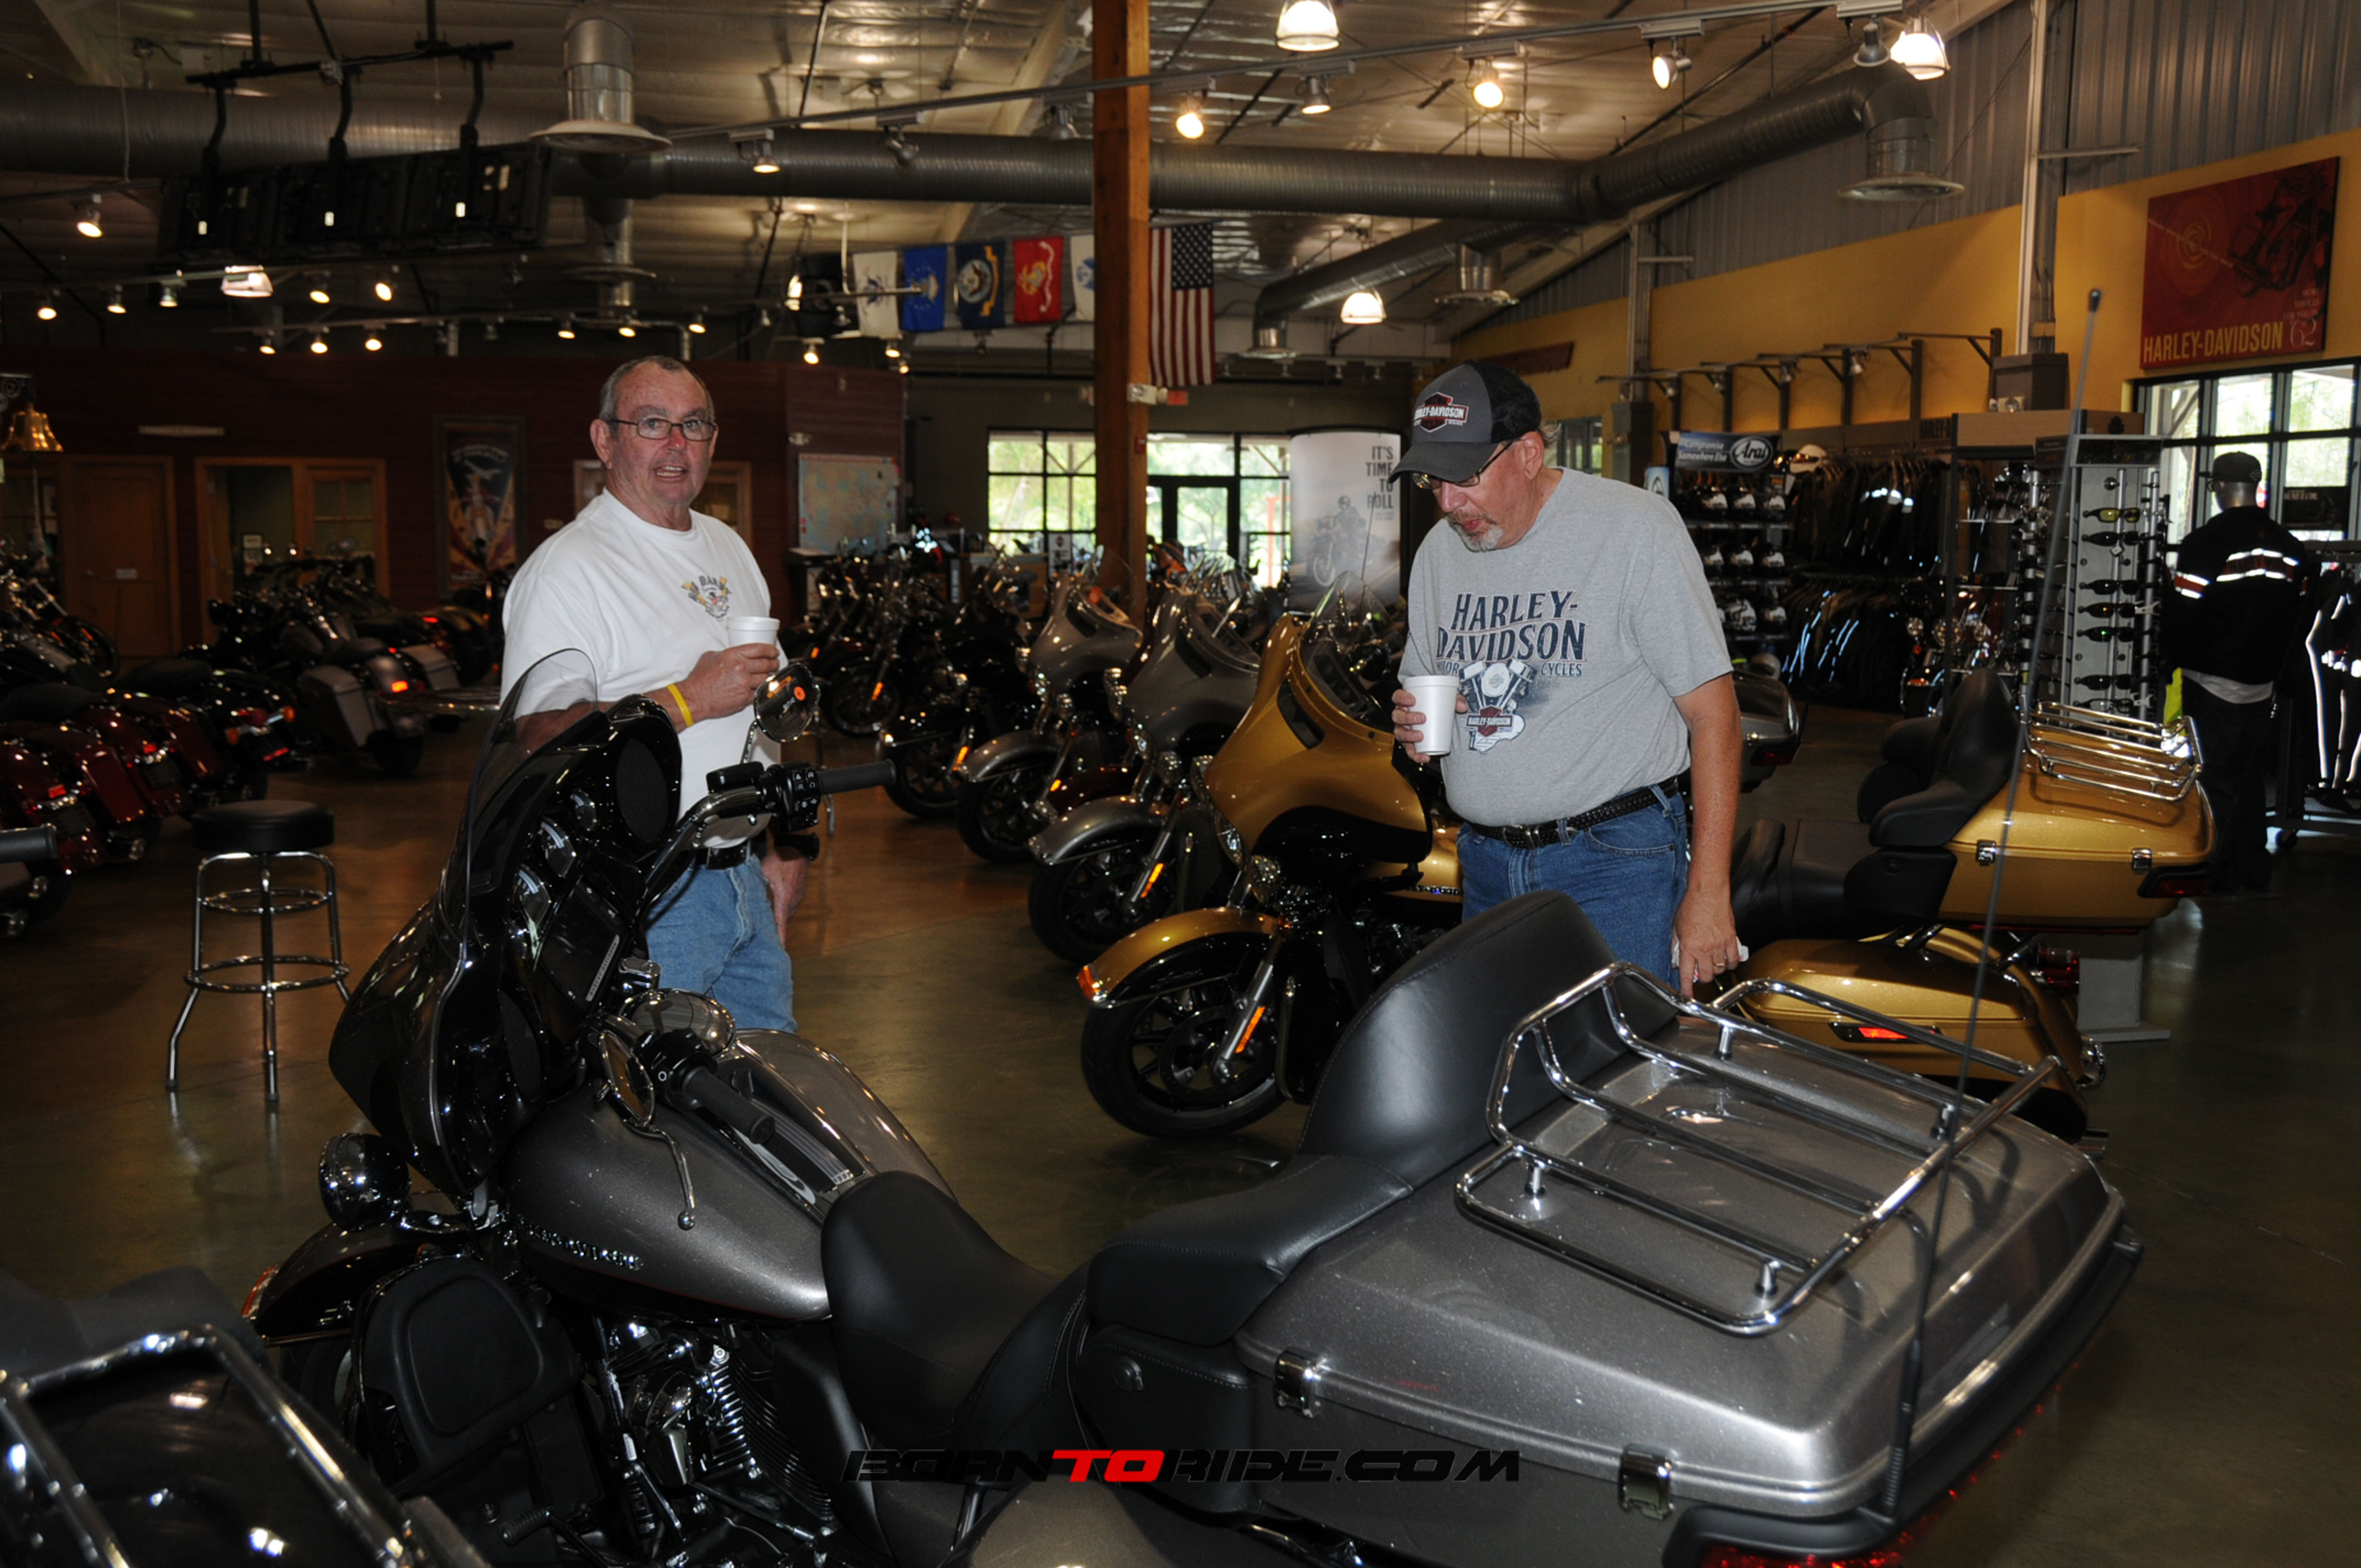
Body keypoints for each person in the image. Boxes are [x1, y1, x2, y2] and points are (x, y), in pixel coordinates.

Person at [1388, 361, 1743, 995]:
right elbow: (1425, 690)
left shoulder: (1632, 530)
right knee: (1502, 1049)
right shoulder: (1439, 555)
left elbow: (1714, 716)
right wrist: (1415, 728)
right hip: (1486, 864)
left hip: (1613, 864)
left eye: (1464, 478)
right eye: (1431, 480)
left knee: (1614, 1049)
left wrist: (1708, 895)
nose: (1447, 502)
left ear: (1528, 454)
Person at [501, 356, 809, 1029]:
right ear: (605, 440)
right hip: (651, 889)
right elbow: (539, 734)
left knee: (763, 1076)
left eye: (692, 425)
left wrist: (787, 845)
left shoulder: (727, 546)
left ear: (712, 441)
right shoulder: (568, 569)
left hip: (743, 877)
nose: (675, 443)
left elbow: (774, 709)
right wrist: (688, 699)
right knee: (653, 1082)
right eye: (651, 424)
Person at [2160, 450, 2316, 896]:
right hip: (2262, 685)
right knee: (2249, 780)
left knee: (2214, 779)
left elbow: (2183, 611)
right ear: (2255, 485)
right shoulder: (2290, 547)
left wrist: (2169, 658)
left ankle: (2218, 871)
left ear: (2217, 487)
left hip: (2211, 680)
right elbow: (2300, 616)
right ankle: (2252, 869)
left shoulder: (2205, 544)